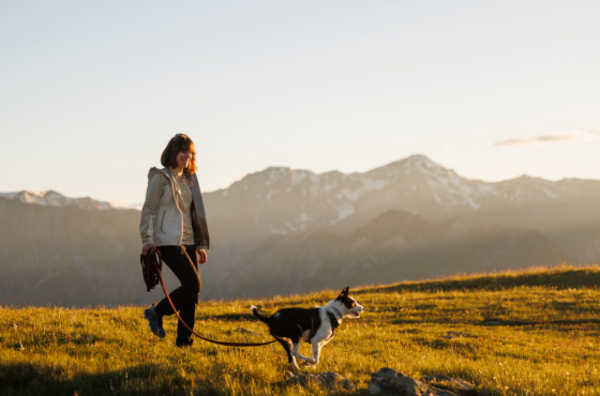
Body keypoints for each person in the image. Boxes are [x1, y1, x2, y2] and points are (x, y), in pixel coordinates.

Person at [139, 134, 210, 347]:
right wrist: (146, 240)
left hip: (188, 241)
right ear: (173, 152)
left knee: (191, 296)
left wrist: (199, 245)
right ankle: (156, 312)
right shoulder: (161, 178)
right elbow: (148, 209)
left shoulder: (188, 180)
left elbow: (193, 214)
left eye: (191, 152)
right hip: (167, 241)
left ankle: (184, 344)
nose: (187, 156)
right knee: (193, 285)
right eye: (183, 151)